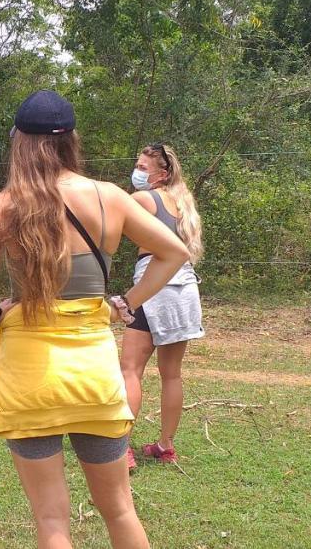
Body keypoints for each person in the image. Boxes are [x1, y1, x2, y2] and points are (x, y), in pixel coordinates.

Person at [0, 90, 190, 548]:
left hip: (28, 381)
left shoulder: (9, 204)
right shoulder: (109, 197)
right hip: (94, 378)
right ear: (71, 140)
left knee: (52, 523)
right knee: (119, 510)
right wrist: (126, 302)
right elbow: (175, 251)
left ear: (19, 142)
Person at [119, 144, 204, 468]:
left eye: (142, 166)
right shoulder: (183, 205)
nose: (137, 171)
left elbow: (107, 220)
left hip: (154, 286)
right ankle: (165, 446)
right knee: (171, 375)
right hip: (184, 289)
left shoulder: (144, 199)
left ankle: (122, 449)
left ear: (161, 174)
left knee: (130, 369)